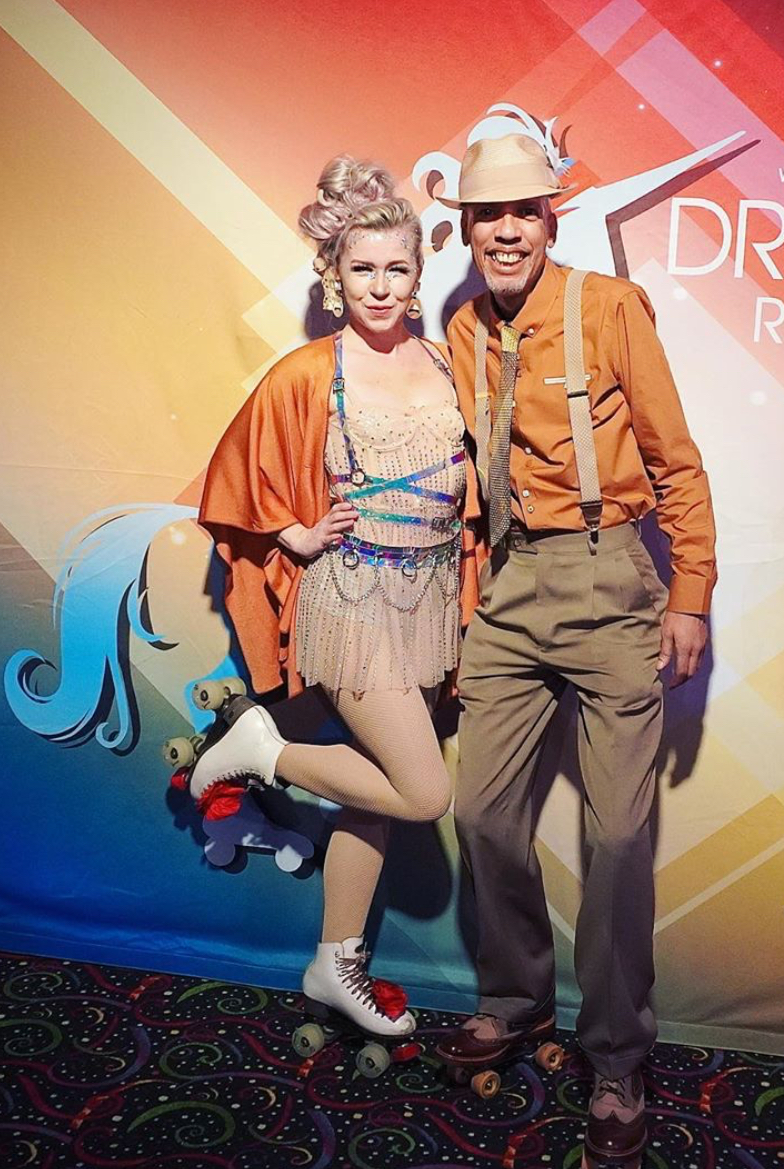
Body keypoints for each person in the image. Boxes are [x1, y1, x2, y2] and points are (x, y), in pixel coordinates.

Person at [436, 134, 716, 1165]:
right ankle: (515, 999)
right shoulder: (461, 326)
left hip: (610, 578)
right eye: (488, 214)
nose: (507, 231)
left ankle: (615, 1055)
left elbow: (676, 460)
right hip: (509, 587)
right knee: (480, 811)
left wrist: (689, 593)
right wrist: (463, 604)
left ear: (550, 220)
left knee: (617, 838)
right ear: (467, 229)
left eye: (525, 211)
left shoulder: (608, 306)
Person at [195, 155, 476, 1041]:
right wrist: (293, 532)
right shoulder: (311, 371)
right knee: (421, 791)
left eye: (397, 268)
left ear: (418, 274)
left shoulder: (446, 361)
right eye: (362, 268)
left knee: (378, 789)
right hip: (350, 603)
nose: (380, 286)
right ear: (333, 276)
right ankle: (262, 750)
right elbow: (234, 475)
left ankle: (336, 958)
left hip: (427, 604)